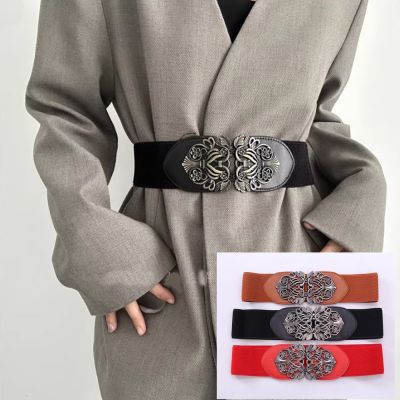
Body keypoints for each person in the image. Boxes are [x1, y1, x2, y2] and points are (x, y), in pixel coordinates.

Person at [26, 1, 385, 399]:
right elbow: (66, 108)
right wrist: (104, 250)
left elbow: (313, 115)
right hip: (161, 277)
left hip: (296, 269)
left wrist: (359, 206)